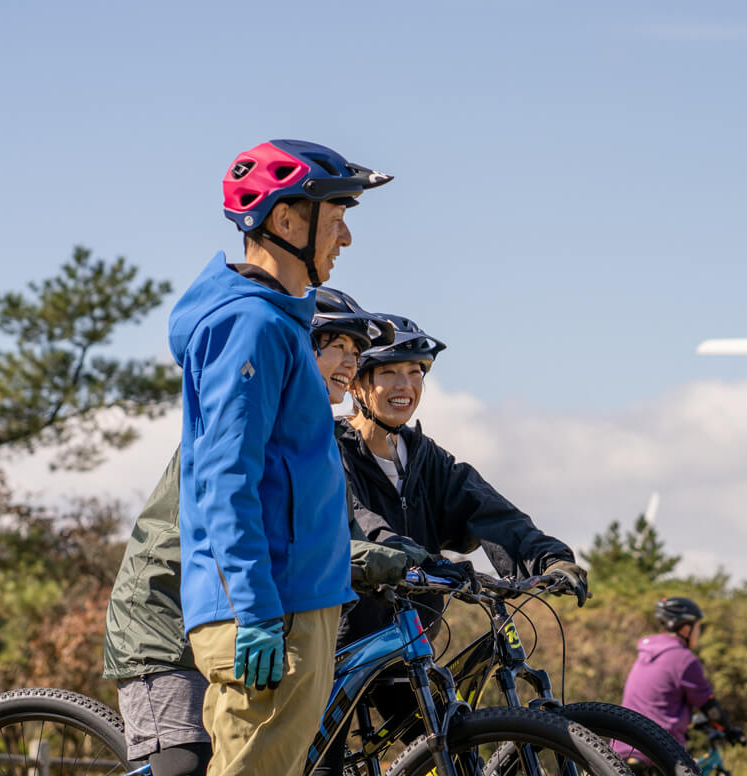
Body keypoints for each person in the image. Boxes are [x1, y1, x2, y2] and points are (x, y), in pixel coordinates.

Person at [104, 287, 414, 776]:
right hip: (166, 622)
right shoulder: (258, 410)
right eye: (338, 347)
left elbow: (338, 529)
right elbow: (245, 512)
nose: (350, 363)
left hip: (236, 615)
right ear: (300, 347)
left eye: (357, 353)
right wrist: (372, 559)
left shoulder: (318, 437)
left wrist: (401, 554)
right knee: (187, 766)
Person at [167, 139, 392, 776]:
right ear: (288, 220)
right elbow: (224, 476)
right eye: (336, 216)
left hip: (292, 600)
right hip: (272, 608)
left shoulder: (277, 322)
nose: (345, 237)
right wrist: (257, 610)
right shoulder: (253, 325)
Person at [310, 314, 587, 776]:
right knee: (323, 764)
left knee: (450, 750)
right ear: (357, 384)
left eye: (416, 371)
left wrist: (550, 559)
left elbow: (491, 511)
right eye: (389, 372)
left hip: (405, 641)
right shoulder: (330, 450)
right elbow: (363, 525)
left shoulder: (426, 459)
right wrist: (418, 559)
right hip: (338, 641)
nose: (406, 385)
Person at [615, 597, 745, 770]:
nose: (699, 632)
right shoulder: (684, 659)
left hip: (622, 748)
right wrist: (728, 730)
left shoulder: (646, 653)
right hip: (659, 752)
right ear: (685, 628)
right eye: (698, 627)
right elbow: (710, 707)